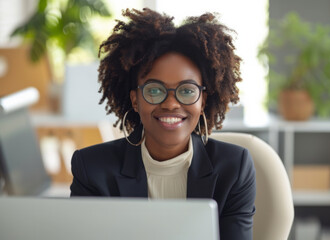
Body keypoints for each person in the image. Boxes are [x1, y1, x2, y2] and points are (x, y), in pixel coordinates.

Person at [70, 8, 256, 240]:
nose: (170, 104)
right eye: (155, 90)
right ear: (135, 100)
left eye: (187, 90)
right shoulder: (92, 169)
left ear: (202, 101)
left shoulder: (234, 169)